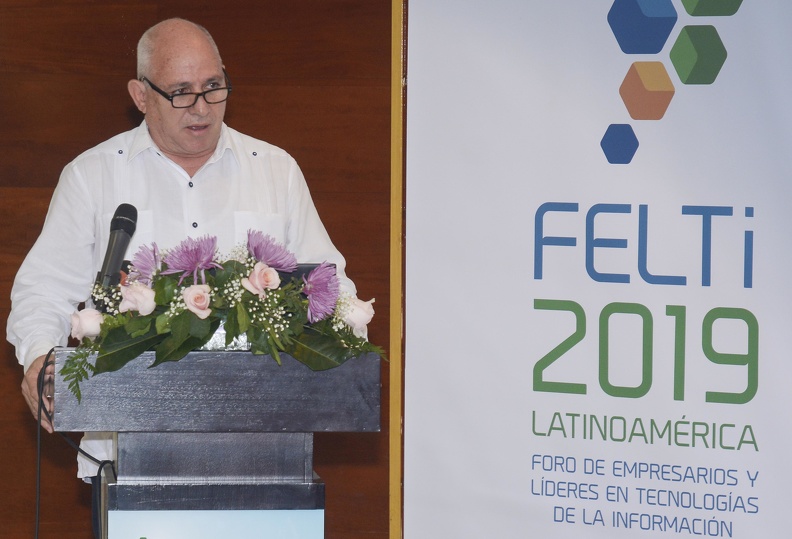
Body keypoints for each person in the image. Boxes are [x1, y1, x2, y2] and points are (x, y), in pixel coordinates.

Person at [7, 18, 357, 478]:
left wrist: (346, 346)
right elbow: (43, 291)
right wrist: (40, 360)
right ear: (140, 95)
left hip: (265, 452)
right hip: (126, 458)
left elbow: (329, 285)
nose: (202, 107)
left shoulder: (275, 171)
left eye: (214, 86)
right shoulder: (92, 176)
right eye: (181, 91)